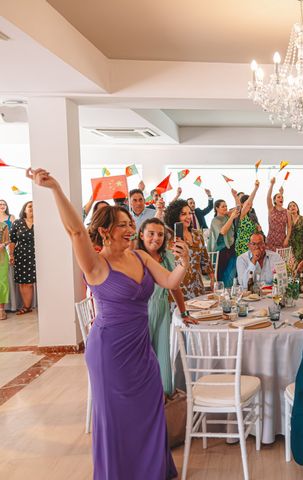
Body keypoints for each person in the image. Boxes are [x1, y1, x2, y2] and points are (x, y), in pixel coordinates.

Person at [29, 167, 187, 479]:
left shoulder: (141, 257)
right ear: (105, 232)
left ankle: (152, 471)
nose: (131, 229)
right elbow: (75, 231)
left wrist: (184, 261)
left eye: (131, 224)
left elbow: (169, 281)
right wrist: (56, 188)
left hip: (142, 352)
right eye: (123, 226)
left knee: (149, 409)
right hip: (109, 353)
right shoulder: (96, 264)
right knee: (116, 419)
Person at [137, 218, 193, 395]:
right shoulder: (135, 257)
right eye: (151, 234)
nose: (156, 238)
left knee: (163, 359)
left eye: (160, 234)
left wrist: (184, 312)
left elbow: (174, 286)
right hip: (142, 313)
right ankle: (145, 399)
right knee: (143, 360)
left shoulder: (167, 256)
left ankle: (165, 400)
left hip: (162, 312)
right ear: (141, 235)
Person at [164, 199, 214, 300]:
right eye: (183, 214)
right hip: (178, 288)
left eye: (189, 213)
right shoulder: (169, 238)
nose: (188, 217)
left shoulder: (197, 234)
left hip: (197, 287)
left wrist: (213, 278)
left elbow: (205, 259)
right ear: (175, 216)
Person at [9, 201, 36, 315]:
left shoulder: (42, 220)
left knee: (41, 281)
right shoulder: (17, 223)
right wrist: (11, 255)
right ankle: (26, 306)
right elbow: (12, 240)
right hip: (22, 256)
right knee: (24, 283)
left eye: (35, 206)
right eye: (30, 206)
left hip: (39, 255)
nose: (32, 208)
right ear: (24, 209)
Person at [208, 199, 240, 287]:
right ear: (217, 208)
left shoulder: (227, 216)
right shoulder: (215, 220)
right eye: (223, 206)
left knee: (232, 274)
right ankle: (223, 294)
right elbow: (223, 231)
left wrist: (235, 197)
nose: (225, 207)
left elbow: (237, 209)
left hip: (231, 248)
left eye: (226, 206)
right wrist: (231, 217)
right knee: (223, 276)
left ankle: (231, 293)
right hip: (221, 251)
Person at [233, 181, 261, 257]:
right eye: (248, 201)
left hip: (251, 246)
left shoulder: (251, 215)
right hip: (243, 247)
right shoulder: (241, 215)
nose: (251, 203)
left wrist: (258, 229)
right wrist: (256, 188)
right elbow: (248, 204)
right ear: (242, 204)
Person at [265, 177, 291, 251]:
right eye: (279, 197)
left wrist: (287, 239)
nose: (281, 198)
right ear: (274, 200)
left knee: (282, 262)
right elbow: (268, 197)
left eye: (282, 197)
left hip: (282, 241)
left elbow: (289, 227)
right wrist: (272, 184)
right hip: (270, 241)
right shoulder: (271, 209)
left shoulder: (287, 212)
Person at [0, 221, 8, 320]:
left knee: (2, 282)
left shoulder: (3, 225)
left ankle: (1, 310)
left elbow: (7, 240)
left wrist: (3, 245)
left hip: (1, 256)